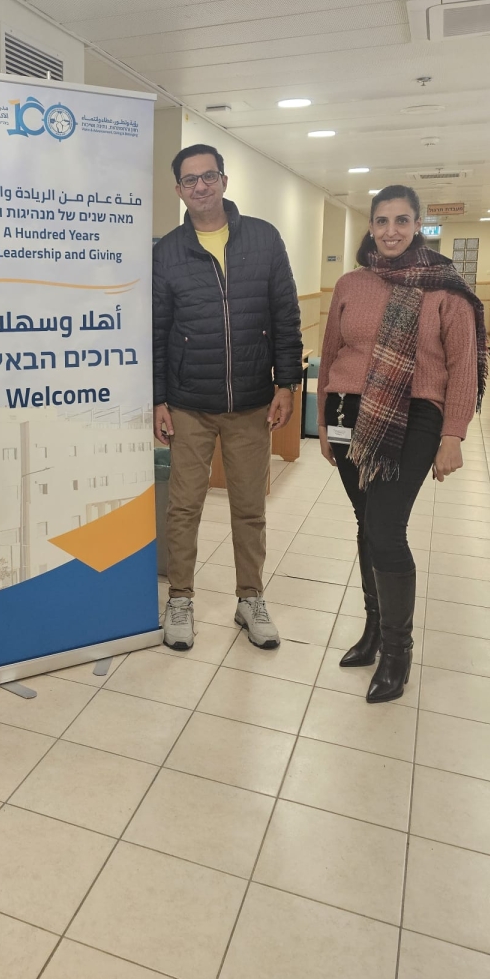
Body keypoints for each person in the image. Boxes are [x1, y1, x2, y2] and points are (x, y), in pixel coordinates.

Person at [318, 185, 487, 702]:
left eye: (401, 220)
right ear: (370, 226)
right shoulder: (350, 282)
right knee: (366, 523)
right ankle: (373, 630)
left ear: (417, 226)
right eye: (382, 220)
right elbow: (331, 352)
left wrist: (453, 434)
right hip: (347, 413)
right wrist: (323, 424)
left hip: (413, 416)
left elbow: (461, 367)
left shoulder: (445, 290)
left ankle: (397, 651)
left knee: (386, 529)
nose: (390, 230)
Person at [153, 144, 303, 651]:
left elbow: (285, 314)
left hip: (252, 402)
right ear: (179, 190)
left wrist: (286, 383)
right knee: (183, 508)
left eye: (209, 175)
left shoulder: (263, 238)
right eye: (190, 180)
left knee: (249, 507)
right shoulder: (168, 251)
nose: (201, 186)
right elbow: (157, 330)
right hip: (188, 404)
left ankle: (250, 598)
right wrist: (158, 398)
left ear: (223, 179)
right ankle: (180, 599)